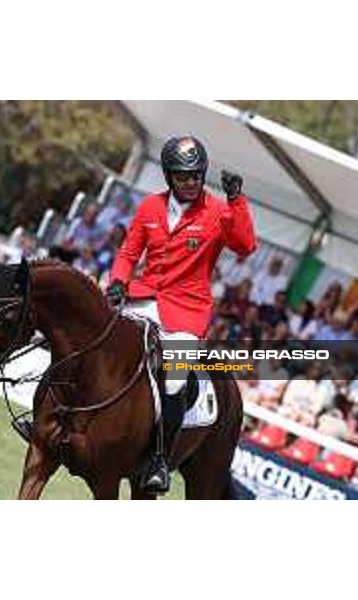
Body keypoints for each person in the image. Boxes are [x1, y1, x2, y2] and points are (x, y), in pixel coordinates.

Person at [105, 135, 257, 493]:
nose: (190, 182)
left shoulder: (219, 211)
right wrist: (117, 281)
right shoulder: (150, 207)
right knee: (91, 337)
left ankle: (158, 460)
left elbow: (245, 246)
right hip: (141, 298)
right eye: (183, 176)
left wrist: (237, 201)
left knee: (174, 377)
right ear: (169, 176)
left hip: (185, 312)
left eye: (196, 175)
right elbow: (128, 253)